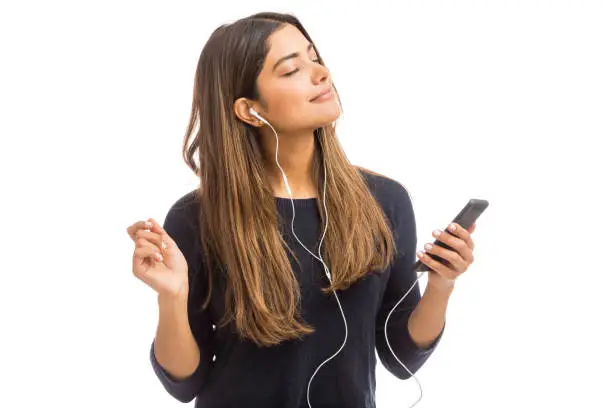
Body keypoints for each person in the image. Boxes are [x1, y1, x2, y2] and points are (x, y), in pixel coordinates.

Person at [126, 11, 472, 408]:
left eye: (313, 56)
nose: (320, 72)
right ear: (249, 110)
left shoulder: (384, 201)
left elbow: (401, 357)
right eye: (291, 69)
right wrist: (172, 297)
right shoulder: (196, 218)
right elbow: (184, 384)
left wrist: (442, 284)